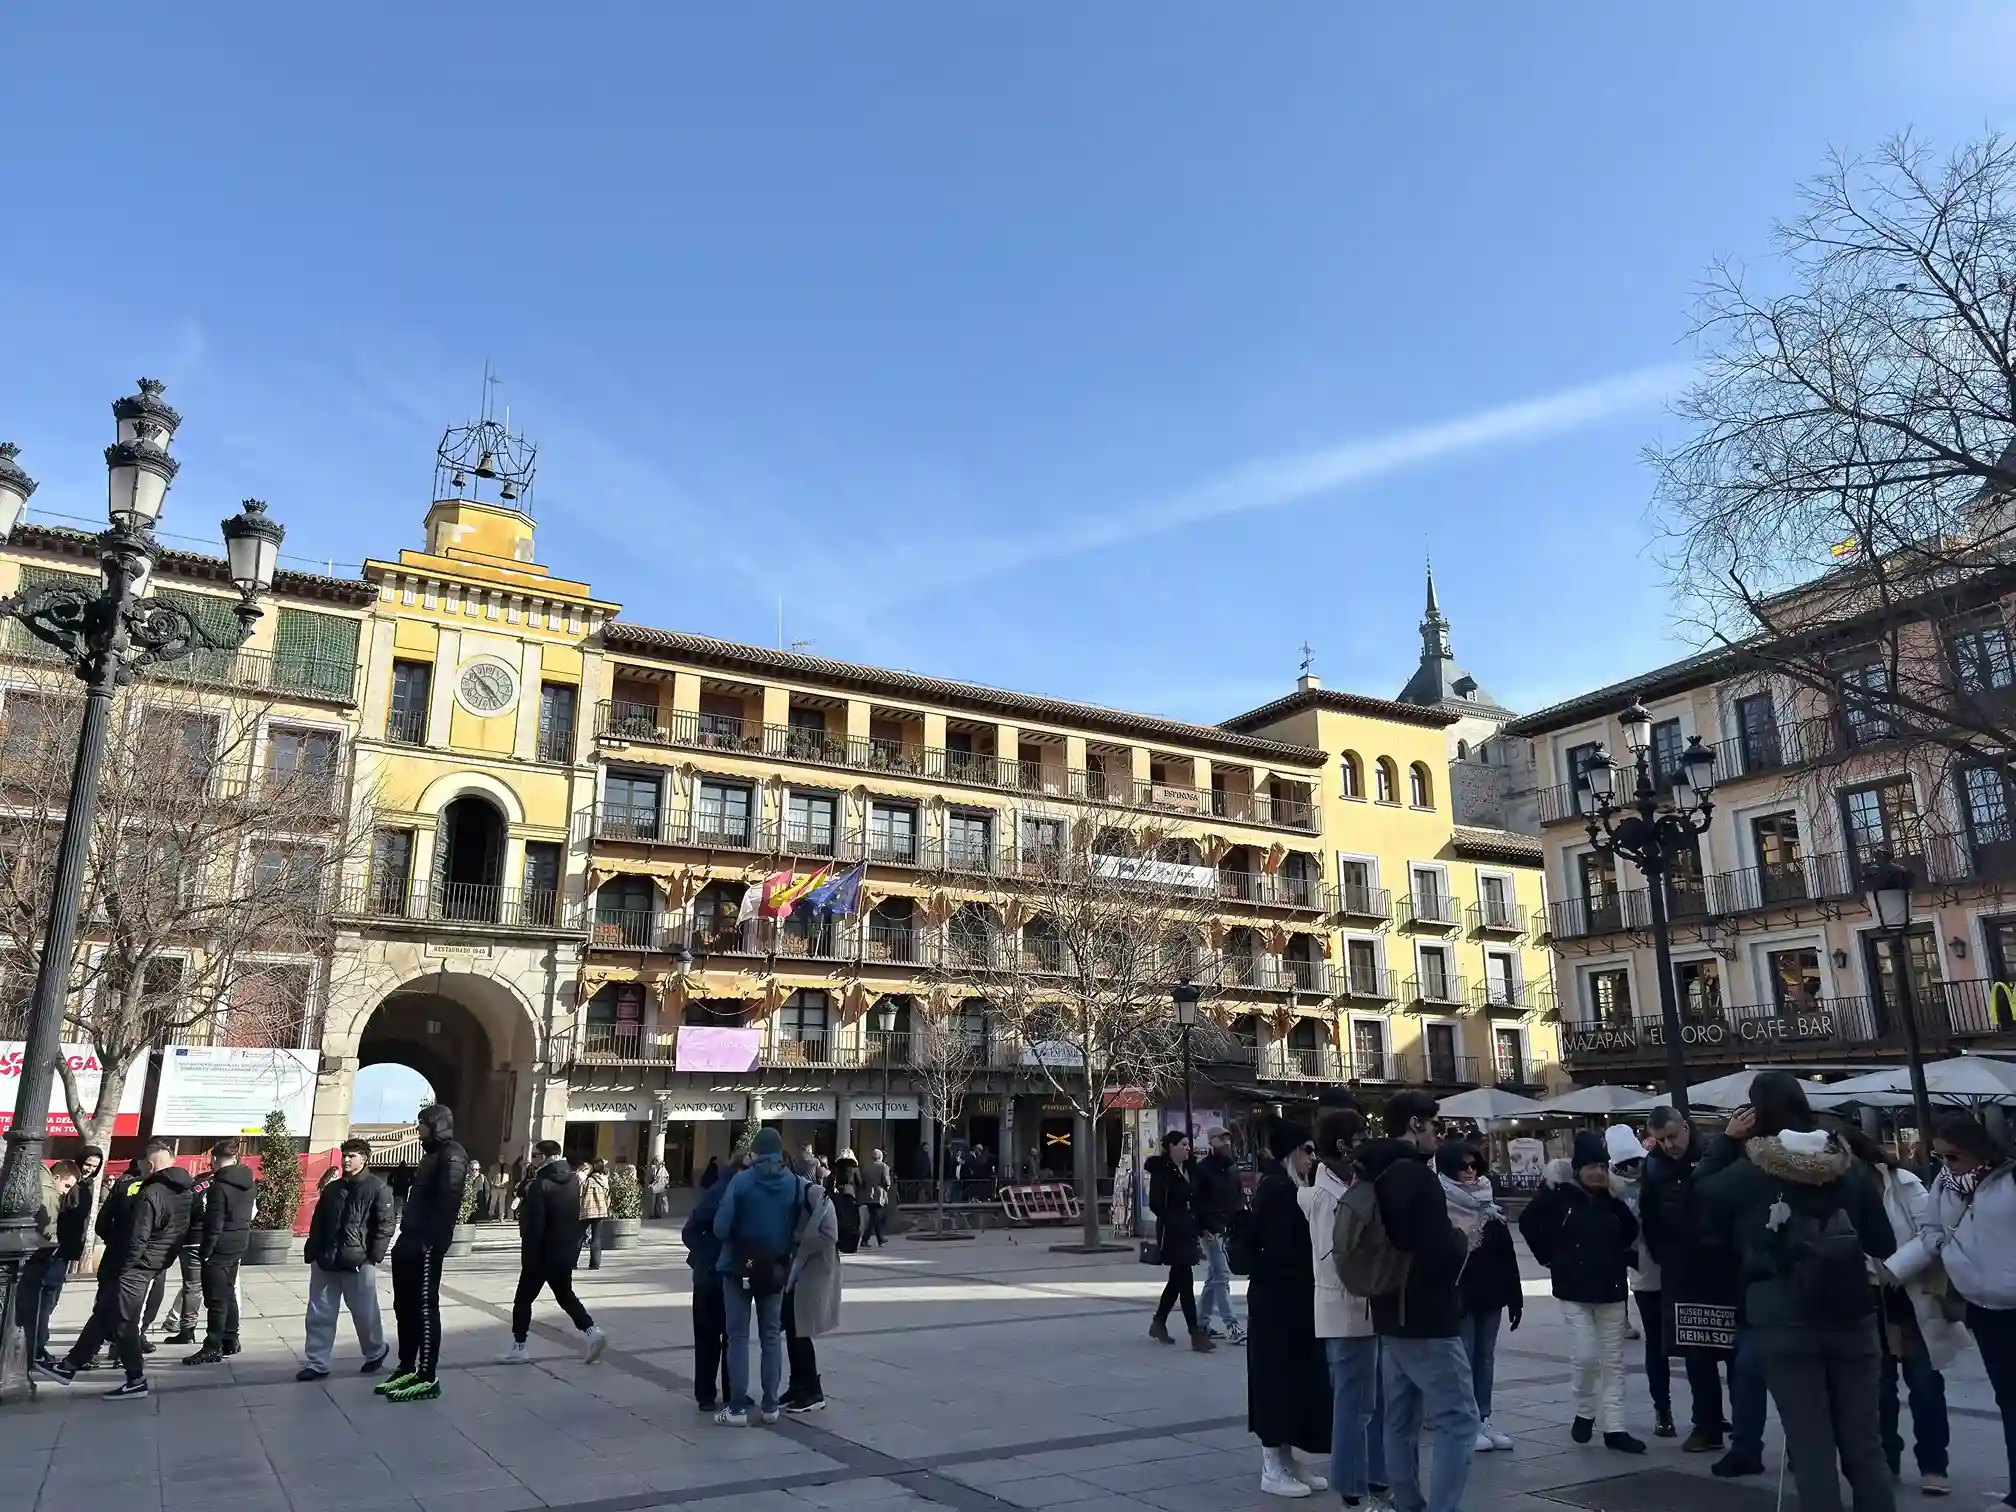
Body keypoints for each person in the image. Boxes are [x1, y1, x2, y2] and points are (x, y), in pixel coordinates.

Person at [1699, 1071, 1895, 1512]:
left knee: (1811, 1447)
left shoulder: (1750, 1171)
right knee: (1865, 1447)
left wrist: (1727, 1142)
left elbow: (1700, 1201)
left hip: (1782, 1318)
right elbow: (1884, 1244)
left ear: (1755, 1113)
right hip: (1852, 1316)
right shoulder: (1848, 1166)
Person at [1356, 1091, 1478, 1512]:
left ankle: (1406, 1502)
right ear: (1414, 1125)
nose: (1438, 1136)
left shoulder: (1378, 1170)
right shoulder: (1414, 1176)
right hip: (1426, 1314)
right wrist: (1463, 1237)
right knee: (1460, 1419)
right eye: (1434, 1126)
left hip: (1389, 1309)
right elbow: (1437, 1250)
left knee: (1400, 1420)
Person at [1838, 1126, 1957, 1497]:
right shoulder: (1834, 1191)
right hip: (1868, 1297)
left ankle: (1934, 1465)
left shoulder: (1903, 1183)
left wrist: (1894, 1267)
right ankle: (1886, 1460)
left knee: (1924, 1384)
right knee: (1879, 1388)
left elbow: (1930, 1234)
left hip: (1908, 1296)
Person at [1519, 1131, 1643, 1453]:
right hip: (1572, 1289)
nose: (1599, 1172)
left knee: (1613, 1361)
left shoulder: (1613, 1201)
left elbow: (1631, 1232)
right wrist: (1549, 1257)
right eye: (1591, 1166)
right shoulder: (1557, 1196)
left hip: (1612, 1289)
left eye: (1603, 1166)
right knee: (1586, 1355)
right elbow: (1528, 1223)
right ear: (1577, 1169)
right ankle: (1585, 1411)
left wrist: (1623, 1256)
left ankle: (1615, 1427)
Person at [43, 1138, 194, 1400]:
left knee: (124, 1322)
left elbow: (138, 1238)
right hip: (153, 1263)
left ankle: (135, 1379)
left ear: (149, 1164)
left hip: (134, 1267)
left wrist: (124, 1267)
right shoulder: (185, 1191)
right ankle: (69, 1367)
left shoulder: (151, 1193)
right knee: (104, 1314)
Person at [1920, 1113, 2016, 1509]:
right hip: (1982, 1307)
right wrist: (1946, 1251)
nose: (1946, 1165)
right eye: (1939, 1157)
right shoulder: (1944, 1185)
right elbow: (1929, 1229)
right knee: (2009, 1400)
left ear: (1978, 1151)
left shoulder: (2010, 1181)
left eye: (1953, 1156)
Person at [1639, 1106, 1746, 1459]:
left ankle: (1745, 1430)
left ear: (1686, 1127)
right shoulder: (1654, 1167)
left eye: (1673, 1135)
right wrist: (1665, 1257)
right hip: (1682, 1270)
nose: (1669, 1145)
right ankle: (1707, 1424)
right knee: (1697, 1354)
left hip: (1724, 1267)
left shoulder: (1718, 1152)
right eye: (1661, 1139)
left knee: (1736, 1355)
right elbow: (1650, 1217)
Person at [1245, 1119, 1331, 1498]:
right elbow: (1282, 1249)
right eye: (1307, 1150)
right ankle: (1271, 1463)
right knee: (1276, 1378)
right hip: (1277, 1301)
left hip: (1292, 1300)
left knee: (1294, 1378)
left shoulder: (1291, 1187)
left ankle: (1287, 1459)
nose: (1313, 1158)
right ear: (1291, 1152)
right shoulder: (1279, 1189)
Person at [1306, 1108, 1386, 1506]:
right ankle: (1352, 1486)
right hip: (1346, 1309)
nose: (1365, 1143)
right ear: (1341, 1145)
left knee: (1367, 1403)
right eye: (1359, 1138)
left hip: (1362, 1308)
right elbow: (1335, 1260)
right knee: (1354, 1404)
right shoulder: (1326, 1197)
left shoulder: (1350, 1186)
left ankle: (1370, 1476)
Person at [377, 1102, 469, 1404]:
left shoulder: (452, 1154)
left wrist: (433, 1240)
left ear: (436, 1124)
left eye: (422, 1123)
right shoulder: (430, 1155)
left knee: (426, 1306)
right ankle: (407, 1366)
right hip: (410, 1237)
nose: (417, 1129)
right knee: (403, 1304)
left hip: (427, 1241)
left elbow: (449, 1201)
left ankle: (427, 1375)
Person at [714, 1128, 804, 1425]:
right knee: (771, 1336)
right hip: (775, 1267)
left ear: (755, 1150)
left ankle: (738, 1407)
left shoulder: (741, 1180)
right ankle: (770, 1405)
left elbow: (720, 1228)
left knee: (737, 1336)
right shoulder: (793, 1183)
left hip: (738, 1267)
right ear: (780, 1152)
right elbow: (798, 1226)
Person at [1437, 1141, 1521, 1453]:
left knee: (1485, 1359)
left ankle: (1483, 1417)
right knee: (1464, 1359)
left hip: (1491, 1293)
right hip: (1461, 1296)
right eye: (1463, 1166)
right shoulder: (1442, 1201)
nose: (1471, 1171)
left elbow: (1506, 1252)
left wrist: (1515, 1297)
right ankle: (1467, 1421)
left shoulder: (1488, 1201)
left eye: (1475, 1165)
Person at [502, 1140, 608, 1365]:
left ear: (547, 1156)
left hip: (540, 1254)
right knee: (565, 1296)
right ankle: (592, 1332)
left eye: (536, 1154)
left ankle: (518, 1347)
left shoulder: (540, 1185)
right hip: (563, 1252)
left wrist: (529, 1255)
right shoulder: (572, 1181)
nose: (532, 1159)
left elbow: (534, 1226)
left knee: (523, 1300)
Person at [298, 1139, 395, 1381]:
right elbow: (318, 1222)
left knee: (365, 1312)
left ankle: (375, 1352)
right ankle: (317, 1362)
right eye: (345, 1155)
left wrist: (372, 1256)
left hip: (358, 1260)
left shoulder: (377, 1188)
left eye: (352, 1155)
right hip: (326, 1259)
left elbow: (385, 1225)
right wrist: (313, 1251)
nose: (346, 1160)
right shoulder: (332, 1189)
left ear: (365, 1158)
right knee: (320, 1313)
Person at [1604, 1125, 1672, 1437]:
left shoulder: (1657, 1179)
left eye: (1637, 1161)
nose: (1634, 1169)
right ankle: (1663, 1408)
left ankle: (1701, 1411)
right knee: (1656, 1342)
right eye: (1625, 1164)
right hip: (1644, 1275)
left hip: (1672, 1269)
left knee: (1683, 1342)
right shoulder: (1610, 1190)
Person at [182, 1139, 256, 1365]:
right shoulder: (249, 1182)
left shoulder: (218, 1186)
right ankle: (230, 1338)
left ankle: (212, 1346)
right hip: (240, 1240)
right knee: (229, 1291)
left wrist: (206, 1251)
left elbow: (215, 1222)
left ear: (214, 1159)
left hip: (220, 1244)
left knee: (215, 1299)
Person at [684, 1149, 747, 1411]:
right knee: (715, 1335)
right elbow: (690, 1231)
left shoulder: (740, 1192)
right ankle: (710, 1394)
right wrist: (709, 1256)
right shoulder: (721, 1191)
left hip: (727, 1274)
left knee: (728, 1336)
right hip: (711, 1275)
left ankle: (723, 1392)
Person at [784, 1159, 843, 1413]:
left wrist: (799, 1238)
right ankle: (797, 1384)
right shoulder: (789, 1196)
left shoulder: (814, 1193)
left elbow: (831, 1235)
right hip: (797, 1268)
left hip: (816, 1269)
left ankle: (813, 1391)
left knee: (801, 1328)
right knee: (790, 1324)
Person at [1147, 1130, 1213, 1351]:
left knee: (1178, 1279)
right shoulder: (1162, 1171)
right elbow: (1156, 1204)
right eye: (1183, 1144)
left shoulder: (1190, 1169)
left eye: (1188, 1144)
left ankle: (1159, 1322)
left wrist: (1204, 1226)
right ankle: (1195, 1333)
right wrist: (1175, 1222)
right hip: (1172, 1232)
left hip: (1189, 1229)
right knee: (1184, 1280)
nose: (1188, 1148)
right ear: (1172, 1147)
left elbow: (1198, 1200)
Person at [17, 1160, 76, 1372]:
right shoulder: (50, 1195)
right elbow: (48, 1230)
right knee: (34, 1308)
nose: (66, 1192)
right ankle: (33, 1352)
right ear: (57, 1177)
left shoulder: (34, 1181)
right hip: (37, 1258)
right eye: (67, 1186)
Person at [1196, 1126, 1248, 1344]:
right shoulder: (1204, 1169)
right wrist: (1204, 1227)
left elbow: (1238, 1196)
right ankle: (1232, 1325)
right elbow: (1198, 1201)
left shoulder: (1231, 1168)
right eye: (1221, 1139)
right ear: (1211, 1141)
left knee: (1214, 1276)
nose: (1226, 1142)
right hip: (1212, 1228)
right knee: (1222, 1276)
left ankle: (1202, 1324)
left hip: (1229, 1227)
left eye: (1228, 1138)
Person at [577, 1158, 612, 1269]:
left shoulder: (587, 1180)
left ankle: (572, 1262)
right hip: (601, 1211)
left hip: (587, 1210)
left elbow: (579, 1174)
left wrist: (589, 1168)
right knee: (596, 1238)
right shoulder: (605, 1180)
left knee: (579, 1237)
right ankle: (595, 1264)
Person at [861, 1148, 892, 1247]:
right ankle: (865, 1239)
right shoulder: (883, 1166)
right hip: (878, 1195)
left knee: (875, 1216)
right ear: (881, 1157)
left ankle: (880, 1239)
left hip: (868, 1195)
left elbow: (863, 1181)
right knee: (874, 1218)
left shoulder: (866, 1167)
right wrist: (886, 1188)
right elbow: (886, 1182)